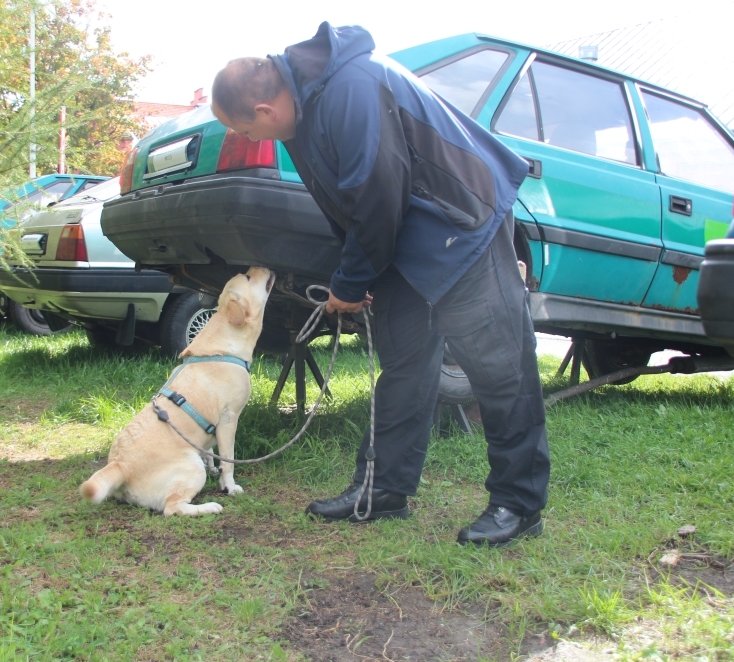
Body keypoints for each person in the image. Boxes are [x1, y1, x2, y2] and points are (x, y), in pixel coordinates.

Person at [211, 23, 550, 546]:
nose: (256, 141)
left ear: (264, 111)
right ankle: (383, 489)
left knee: (500, 367)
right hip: (404, 239)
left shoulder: (352, 87)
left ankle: (518, 504)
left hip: (462, 223)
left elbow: (375, 193)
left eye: (250, 132)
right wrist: (357, 271)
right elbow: (346, 206)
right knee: (404, 366)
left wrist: (350, 281)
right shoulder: (301, 114)